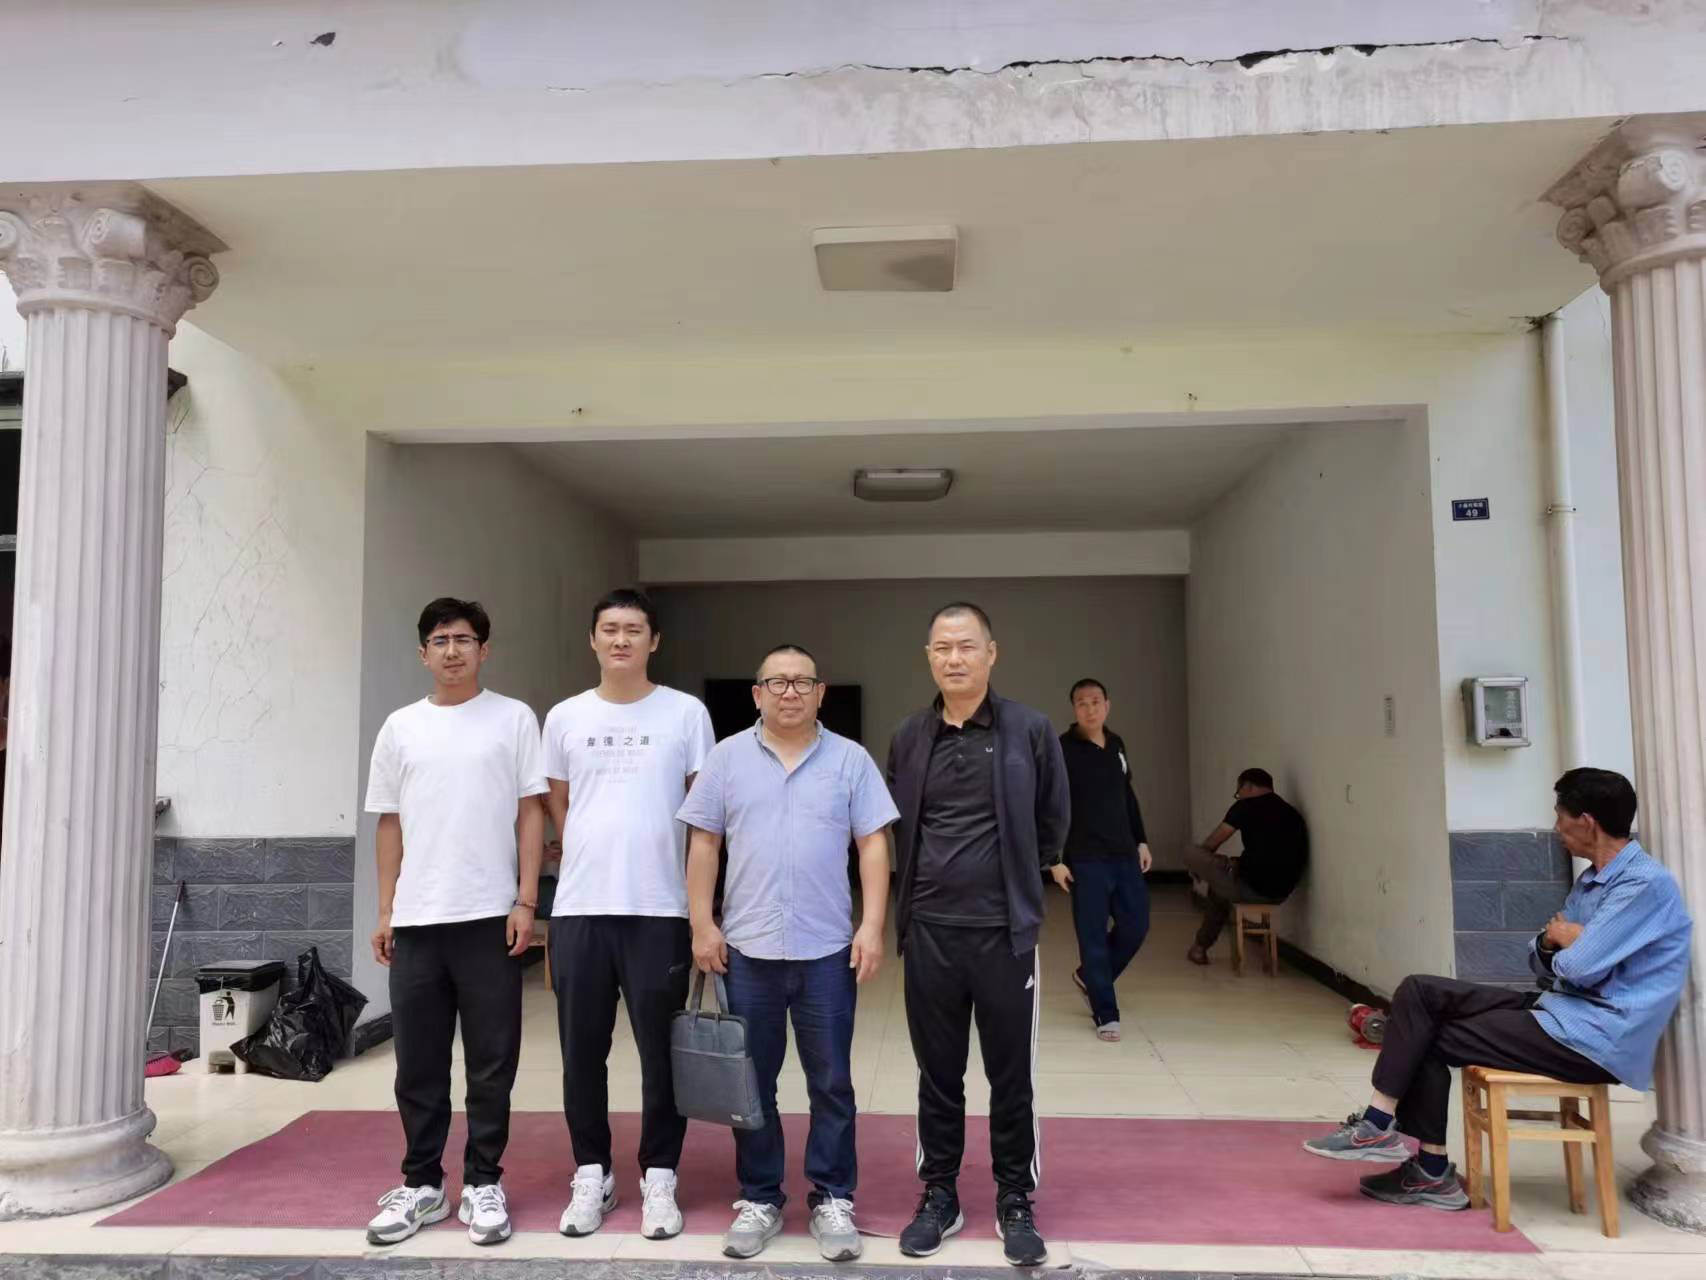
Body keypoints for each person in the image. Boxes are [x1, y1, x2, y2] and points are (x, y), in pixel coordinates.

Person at [1304, 768, 1692, 1211]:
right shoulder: (1592, 881)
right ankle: (1380, 1126)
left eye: (1560, 816)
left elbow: (1580, 968)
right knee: (1419, 992)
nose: (1555, 828)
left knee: (1426, 1037)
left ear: (1586, 822)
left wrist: (1566, 942)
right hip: (1560, 1007)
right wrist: (1562, 940)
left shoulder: (1643, 885)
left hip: (1594, 1034)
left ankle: (1425, 1168)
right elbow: (1540, 954)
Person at [678, 644, 898, 1262]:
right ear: (757, 694)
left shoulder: (850, 760)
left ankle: (833, 1197)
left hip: (827, 951)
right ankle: (760, 1197)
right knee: (752, 1084)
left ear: (821, 693)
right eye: (777, 682)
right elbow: (704, 844)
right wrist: (702, 923)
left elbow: (873, 845)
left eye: (802, 682)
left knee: (832, 1082)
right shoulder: (726, 759)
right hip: (747, 950)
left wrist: (872, 925)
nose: (790, 692)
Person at [886, 602, 1070, 1268]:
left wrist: (1016, 879)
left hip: (1003, 935)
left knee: (1009, 1074)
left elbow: (1054, 817)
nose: (954, 658)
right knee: (938, 1074)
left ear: (992, 653)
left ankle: (1015, 1198)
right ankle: (940, 1194)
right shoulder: (910, 736)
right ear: (928, 657)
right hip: (930, 932)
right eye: (942, 647)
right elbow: (898, 823)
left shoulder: (1030, 730)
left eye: (966, 646)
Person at [363, 598, 547, 1247]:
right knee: (418, 1062)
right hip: (418, 919)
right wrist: (386, 910)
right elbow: (390, 822)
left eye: (463, 639)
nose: (451, 651)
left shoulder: (513, 719)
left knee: (492, 1061)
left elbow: (531, 812)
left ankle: (483, 1181)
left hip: (489, 917)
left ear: (483, 650)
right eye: (439, 640)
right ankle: (422, 1184)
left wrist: (526, 901)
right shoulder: (400, 727)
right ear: (423, 653)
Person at [542, 588, 715, 1240]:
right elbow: (559, 803)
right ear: (593, 639)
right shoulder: (564, 716)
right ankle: (592, 1172)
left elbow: (704, 815)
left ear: (654, 641)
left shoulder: (686, 713)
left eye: (634, 630)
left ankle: (659, 1175)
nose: (621, 640)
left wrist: (701, 912)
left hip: (659, 909)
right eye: (610, 629)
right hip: (581, 908)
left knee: (660, 1056)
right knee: (581, 1053)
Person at [1058, 678, 1152, 1042]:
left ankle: (1090, 978)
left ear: (1107, 706)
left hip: (1124, 853)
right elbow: (1050, 804)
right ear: (1074, 709)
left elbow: (1127, 795)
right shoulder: (1062, 749)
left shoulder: (1116, 745)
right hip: (1085, 857)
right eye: (1082, 703)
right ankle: (1106, 1012)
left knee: (1135, 926)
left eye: (1096, 701)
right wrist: (1054, 858)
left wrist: (1141, 840)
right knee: (1093, 935)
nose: (1090, 709)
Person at [1181, 768, 1307, 965]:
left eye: (1238, 792)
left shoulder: (1245, 806)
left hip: (1251, 888)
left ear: (1248, 786)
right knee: (1220, 888)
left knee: (1190, 852)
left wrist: (1199, 869)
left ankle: (1200, 948)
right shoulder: (1291, 813)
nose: (1239, 796)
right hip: (1281, 893)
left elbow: (1211, 844)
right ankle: (1198, 949)